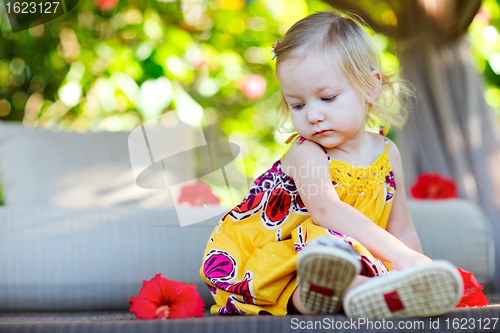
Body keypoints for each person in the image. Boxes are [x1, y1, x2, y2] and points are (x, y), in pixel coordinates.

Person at [200, 10, 483, 317]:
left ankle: (361, 292)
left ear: (369, 87)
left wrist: (414, 265)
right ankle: (338, 290)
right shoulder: (306, 151)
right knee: (325, 246)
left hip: (352, 258)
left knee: (346, 254)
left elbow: (401, 230)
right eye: (297, 104)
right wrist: (398, 255)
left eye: (328, 98)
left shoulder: (389, 152)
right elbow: (326, 212)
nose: (312, 115)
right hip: (285, 260)